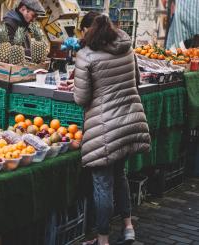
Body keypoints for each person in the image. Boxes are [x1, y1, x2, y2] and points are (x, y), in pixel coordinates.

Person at [73, 14, 151, 245]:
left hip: (104, 129)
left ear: (90, 31)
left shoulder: (86, 56)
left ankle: (103, 239)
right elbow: (136, 80)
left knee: (102, 184)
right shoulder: (127, 49)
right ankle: (128, 228)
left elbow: (81, 97)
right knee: (120, 175)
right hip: (129, 122)